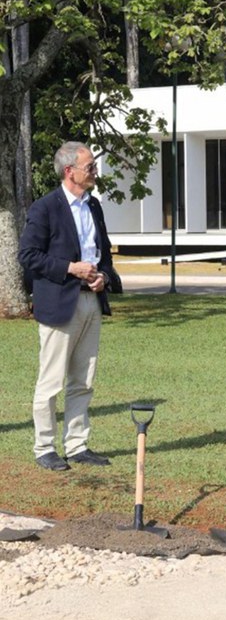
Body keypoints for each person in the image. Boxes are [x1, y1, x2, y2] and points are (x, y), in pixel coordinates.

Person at [19, 141, 114, 471]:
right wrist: (70, 268)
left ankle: (77, 445)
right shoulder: (45, 208)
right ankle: (44, 447)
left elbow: (106, 256)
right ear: (69, 171)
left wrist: (103, 276)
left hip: (91, 302)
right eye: (89, 167)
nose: (94, 172)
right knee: (51, 382)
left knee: (83, 380)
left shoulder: (94, 207)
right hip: (59, 304)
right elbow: (28, 256)